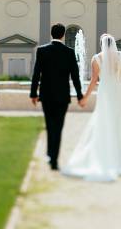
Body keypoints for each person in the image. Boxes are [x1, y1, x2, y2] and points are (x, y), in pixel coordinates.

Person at [62, 33, 121, 181]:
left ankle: (104, 157)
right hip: (118, 91)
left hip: (105, 93)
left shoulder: (96, 59)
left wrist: (85, 97)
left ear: (101, 44)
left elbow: (93, 81)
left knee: (104, 122)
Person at [30, 23, 84, 170]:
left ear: (52, 34)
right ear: (63, 35)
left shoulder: (42, 51)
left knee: (49, 125)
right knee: (58, 127)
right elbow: (75, 77)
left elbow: (36, 74)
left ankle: (50, 154)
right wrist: (80, 95)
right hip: (62, 96)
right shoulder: (69, 52)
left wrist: (33, 93)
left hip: (46, 95)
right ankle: (54, 158)